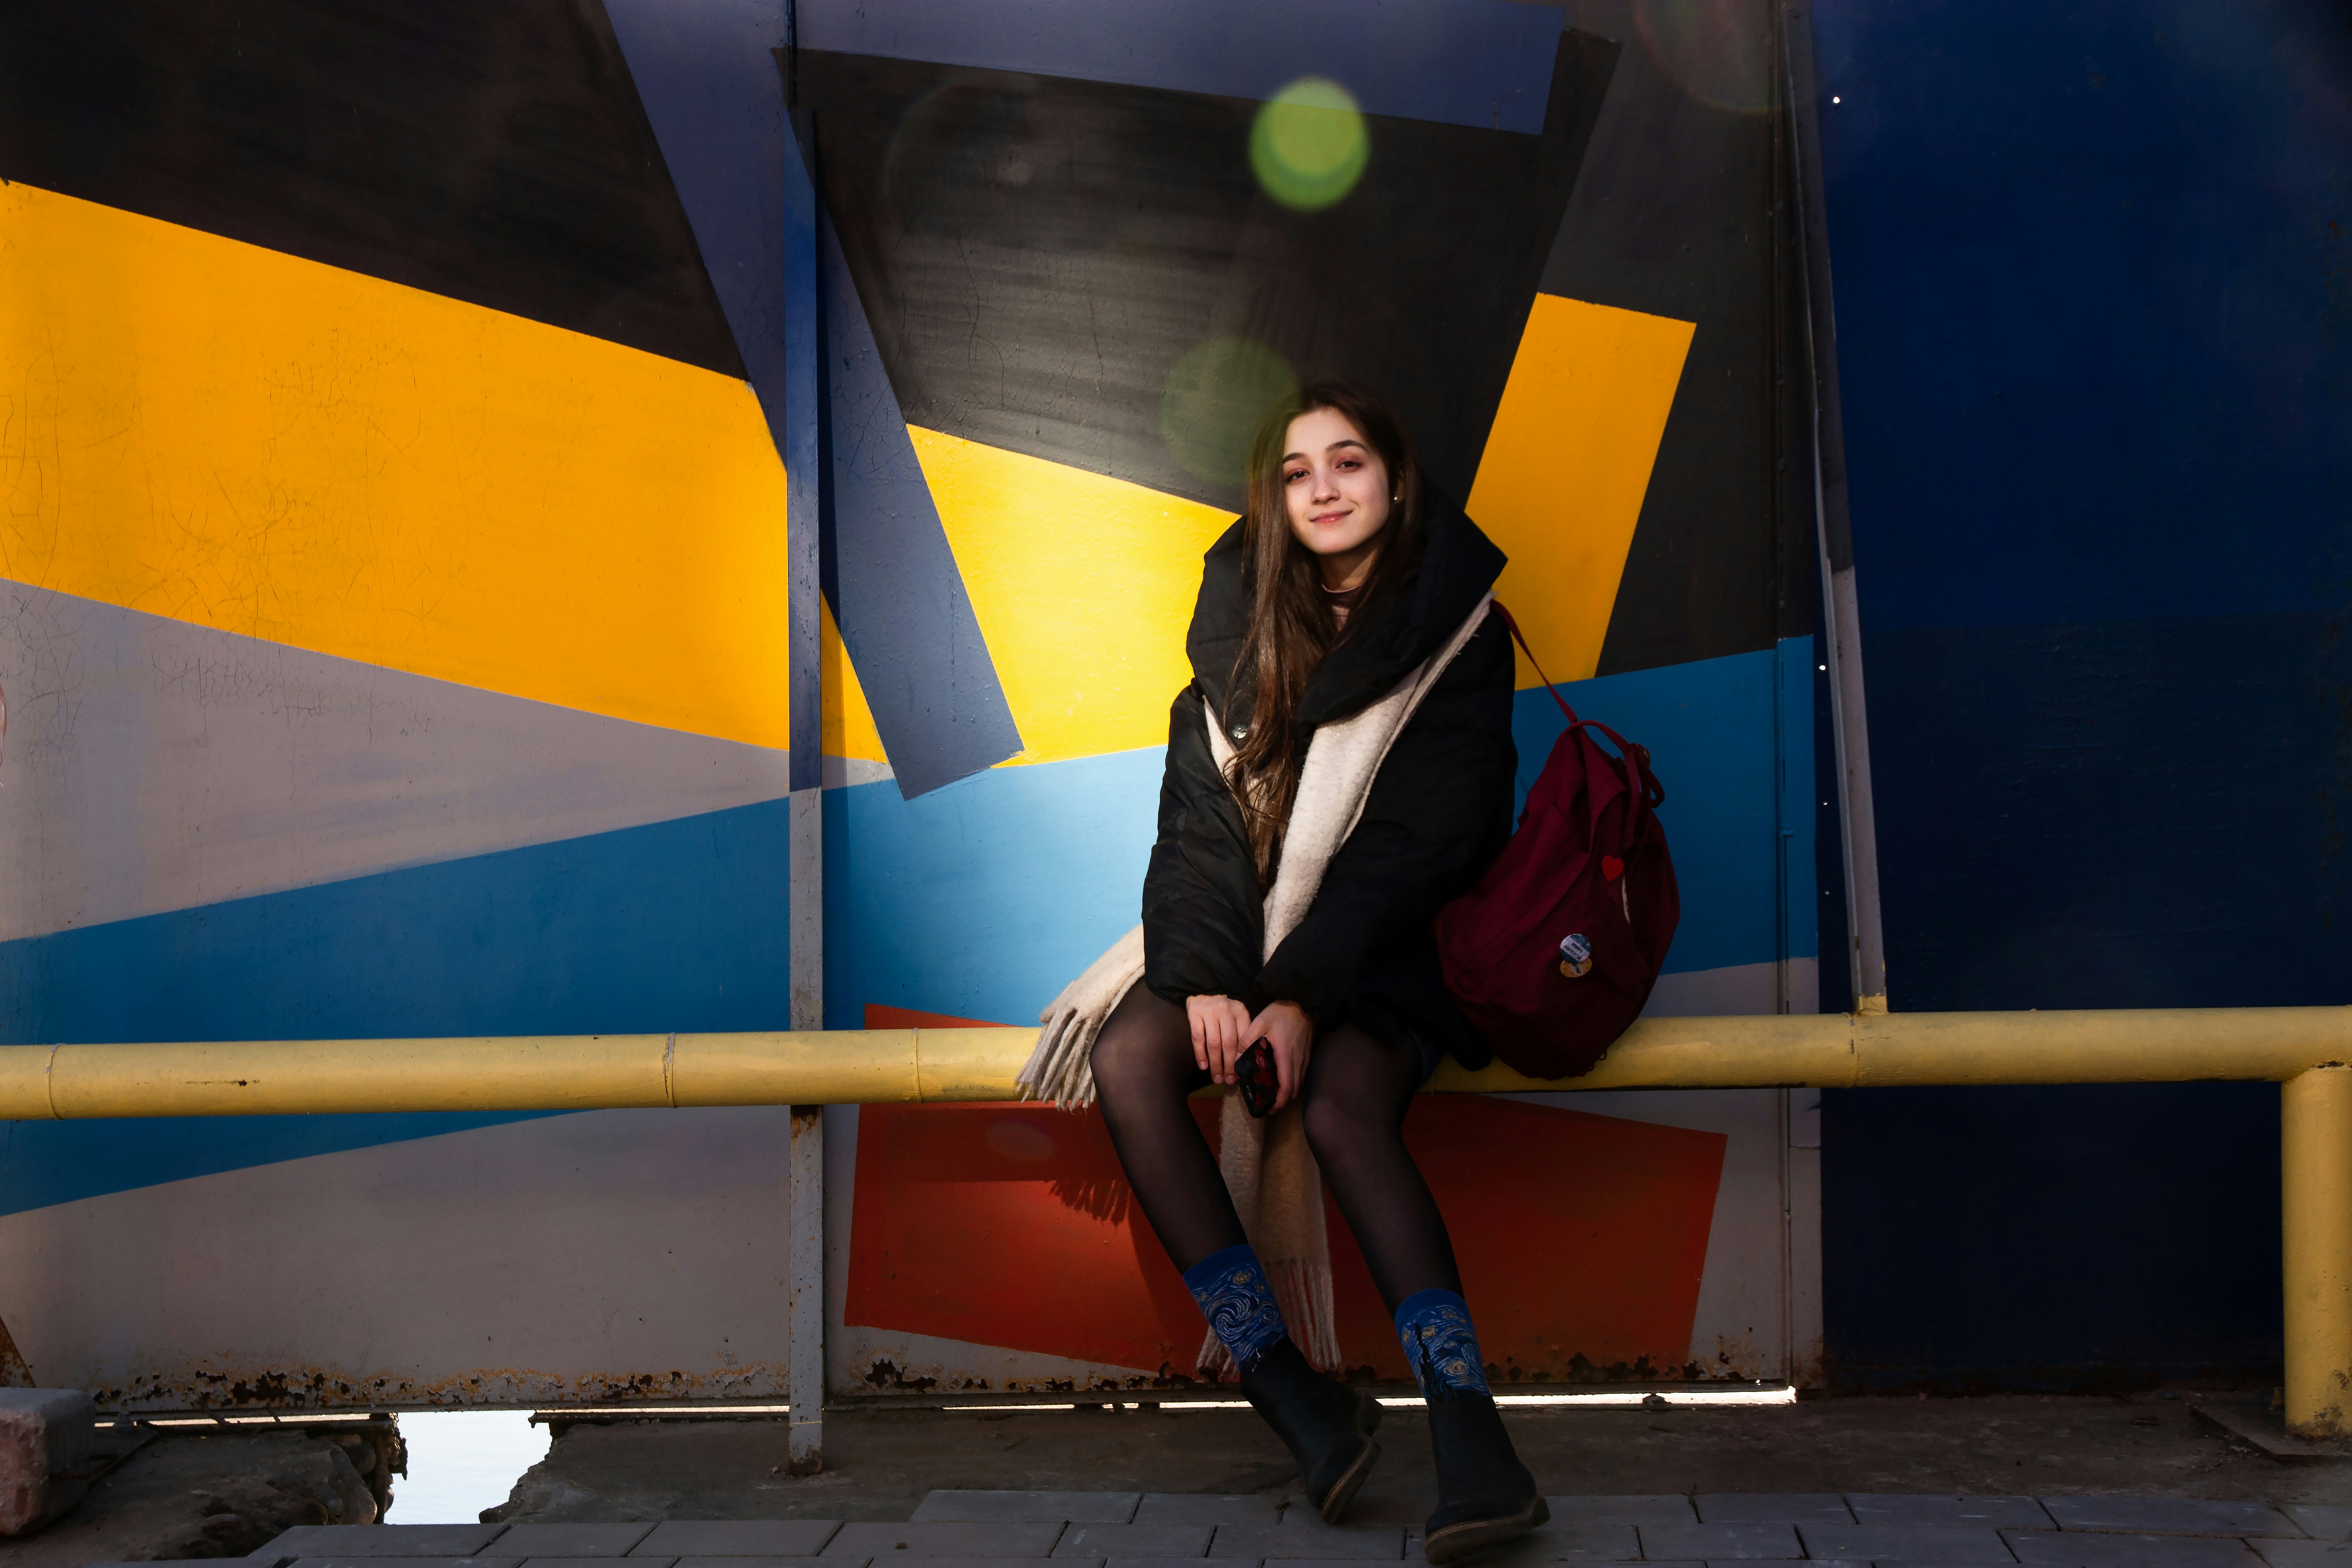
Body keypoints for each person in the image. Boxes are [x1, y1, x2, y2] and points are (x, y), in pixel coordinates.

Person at [1090, 380, 1543, 1560]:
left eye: (1348, 463)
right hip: (1255, 925)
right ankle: (1294, 1395)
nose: (1326, 489)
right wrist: (1207, 979)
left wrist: (1295, 998)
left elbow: (1422, 846)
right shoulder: (1238, 633)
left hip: (1400, 939)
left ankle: (1470, 1431)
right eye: (1298, 473)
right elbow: (1197, 827)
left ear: (1396, 481)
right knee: (1131, 1057)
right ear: (1274, 500)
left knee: (1342, 1100)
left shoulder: (1458, 634)